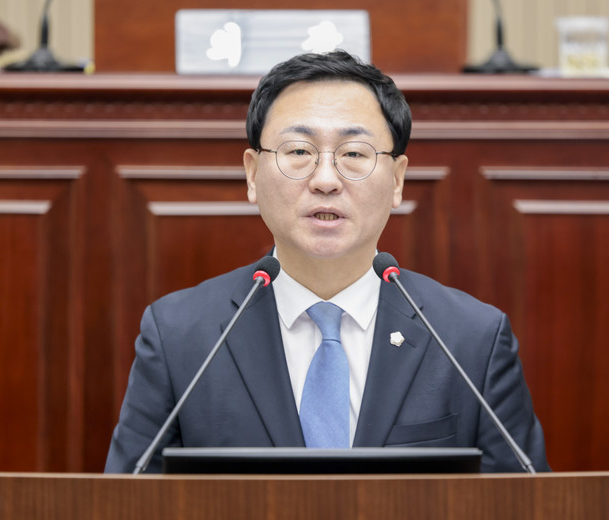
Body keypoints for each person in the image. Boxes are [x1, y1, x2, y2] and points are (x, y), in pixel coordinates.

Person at [104, 50, 549, 473]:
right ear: (253, 174)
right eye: (299, 151)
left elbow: (524, 505)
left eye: (354, 154)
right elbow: (127, 504)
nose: (325, 180)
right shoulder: (180, 337)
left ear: (397, 181)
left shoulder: (471, 340)